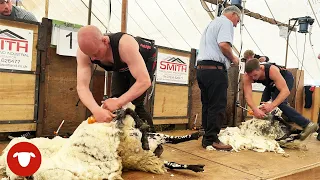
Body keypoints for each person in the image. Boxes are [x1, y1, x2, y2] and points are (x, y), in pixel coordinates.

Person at [76, 25, 157, 132]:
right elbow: (82, 86)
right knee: (115, 101)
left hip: (144, 57)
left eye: (96, 53)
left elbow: (144, 81)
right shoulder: (84, 53)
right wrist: (96, 110)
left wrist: (119, 102)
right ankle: (123, 140)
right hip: (121, 65)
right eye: (89, 55)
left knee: (134, 103)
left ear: (105, 41)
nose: (93, 58)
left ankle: (154, 142)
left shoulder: (124, 45)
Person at [196, 6, 241, 151]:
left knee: (208, 104)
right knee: (217, 105)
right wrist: (234, 58)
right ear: (233, 14)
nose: (236, 24)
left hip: (202, 69)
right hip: (215, 70)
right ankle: (212, 139)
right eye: (238, 20)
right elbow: (223, 45)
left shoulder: (212, 23)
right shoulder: (226, 23)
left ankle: (207, 136)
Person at [243, 59, 319, 141]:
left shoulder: (272, 70)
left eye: (255, 75)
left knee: (280, 103)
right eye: (251, 76)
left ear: (261, 68)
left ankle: (307, 124)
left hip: (285, 78)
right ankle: (285, 128)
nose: (253, 78)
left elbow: (285, 91)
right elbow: (248, 95)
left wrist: (272, 105)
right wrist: (255, 110)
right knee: (263, 107)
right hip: (270, 83)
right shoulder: (247, 77)